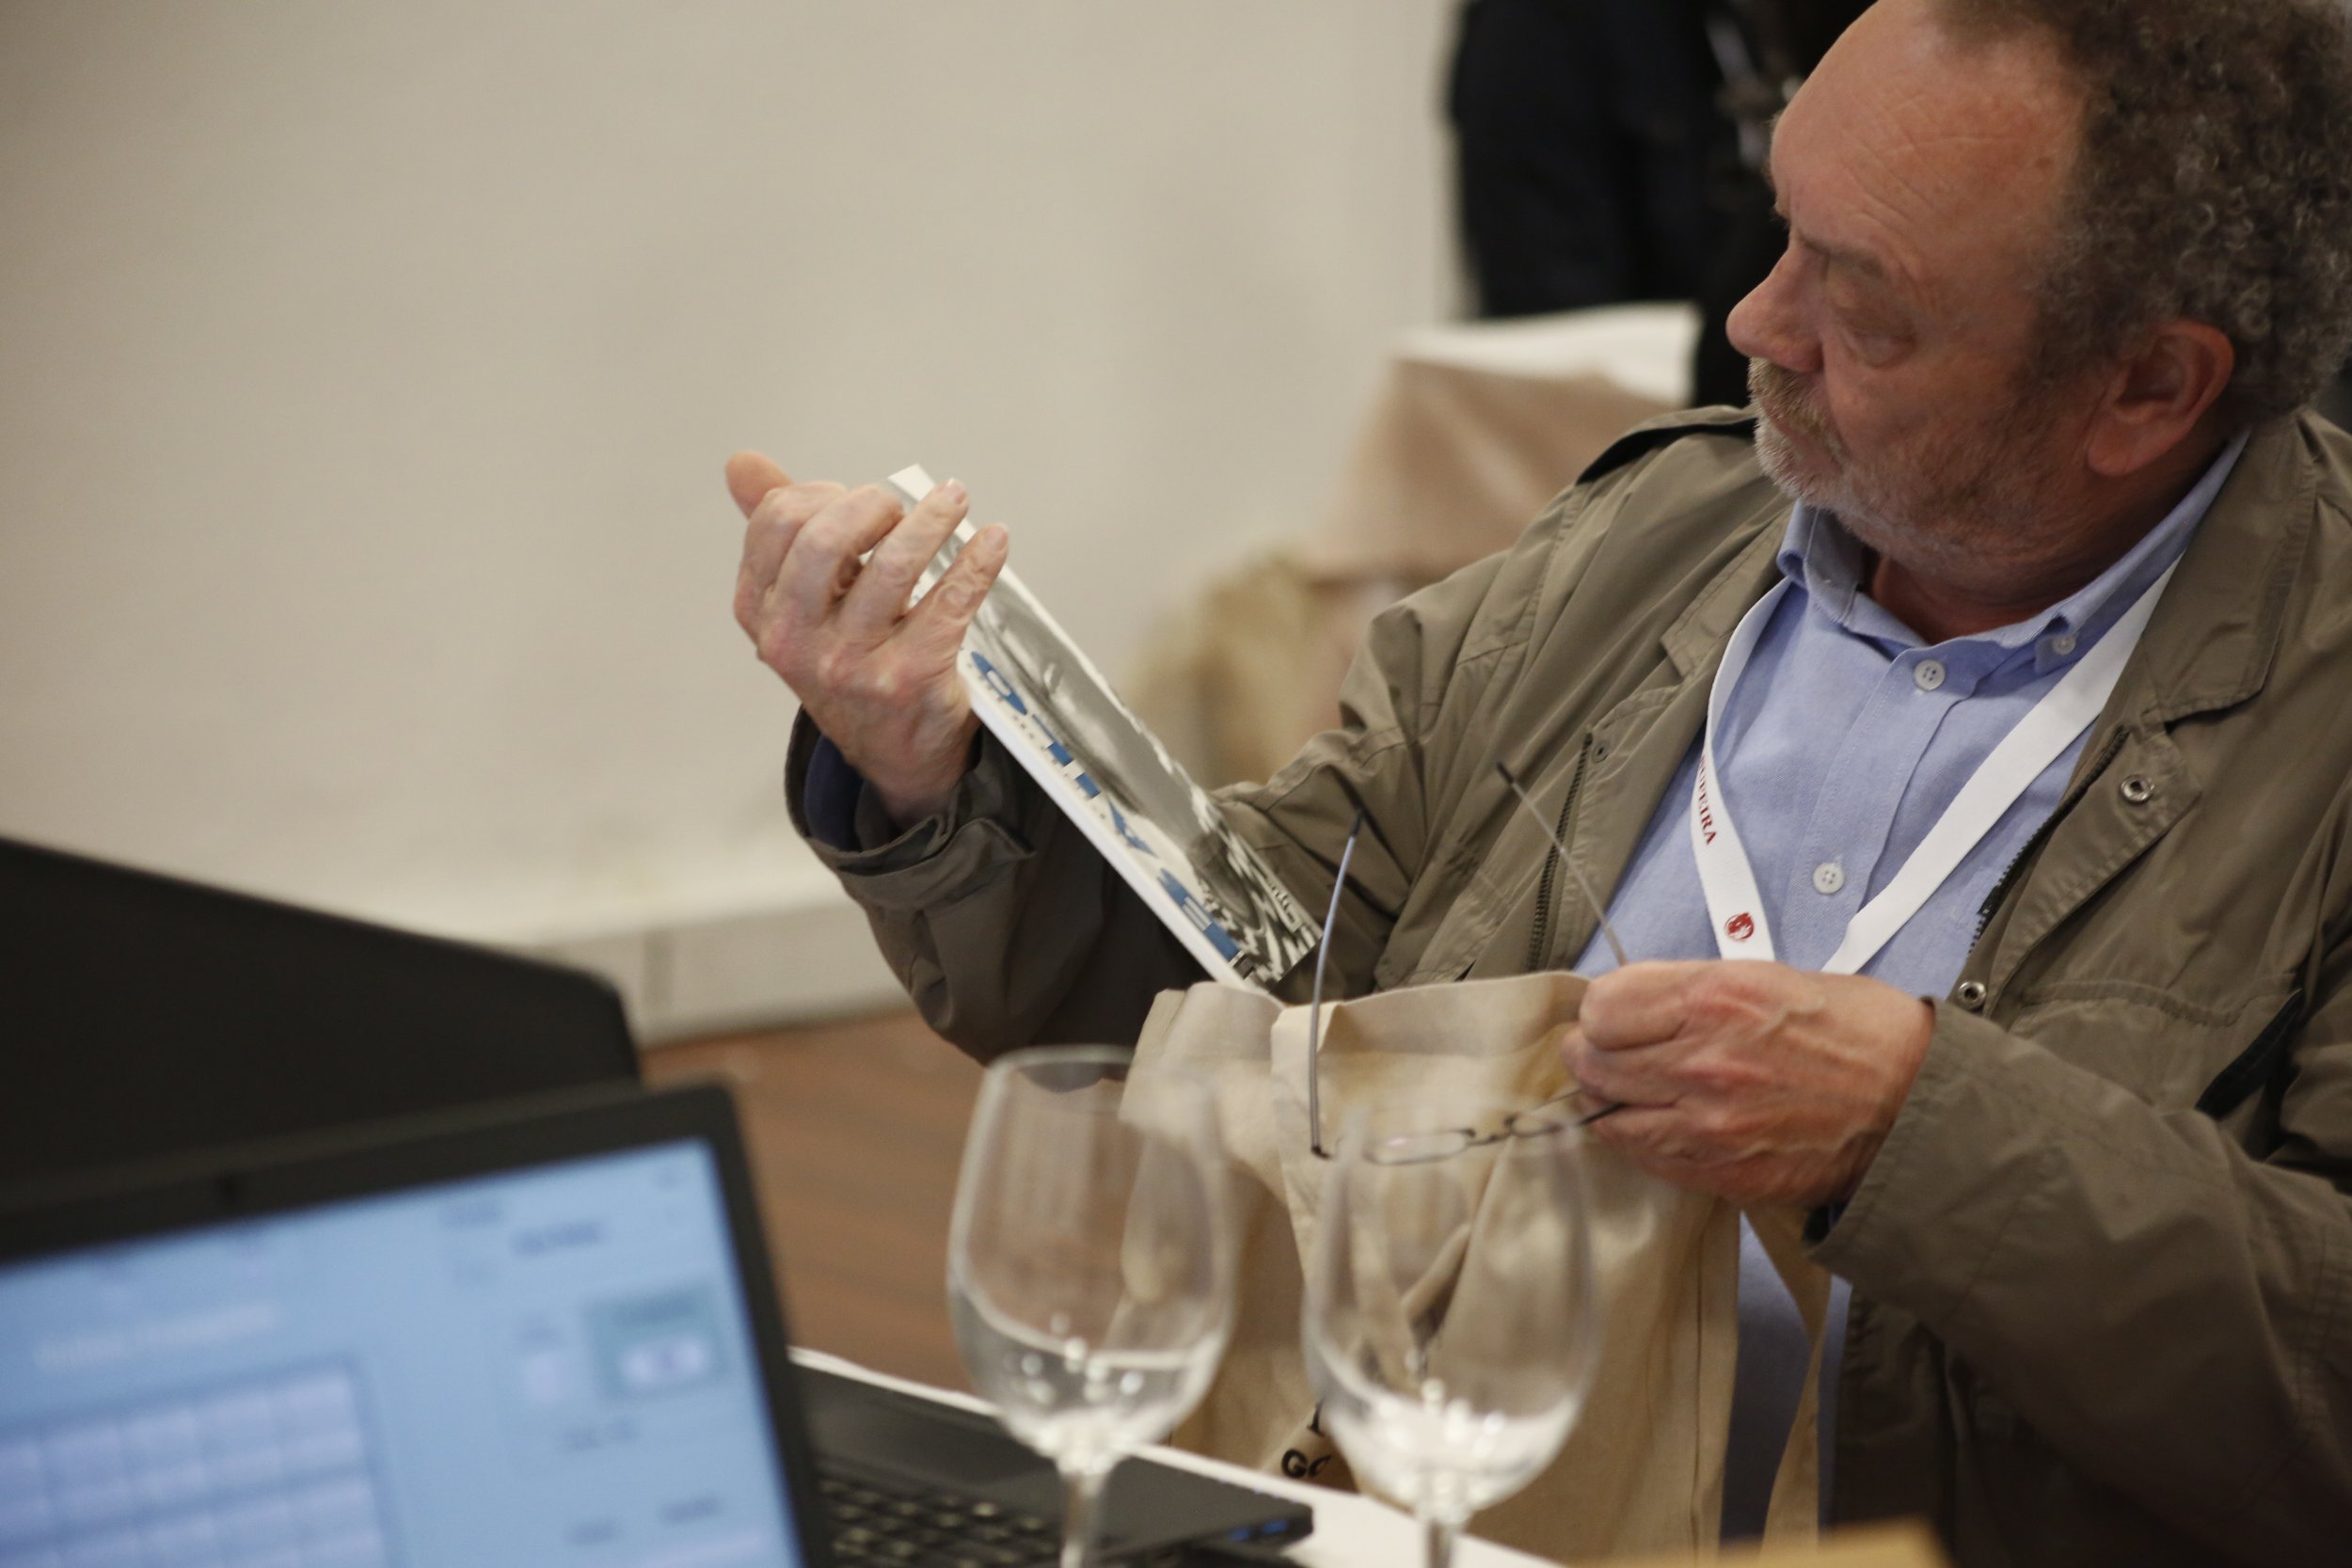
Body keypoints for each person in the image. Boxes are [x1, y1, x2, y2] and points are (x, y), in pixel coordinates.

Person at [726, 0, 2352, 1559]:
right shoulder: (1648, 543)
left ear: (2148, 387)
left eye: (1862, 300)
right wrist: (944, 784)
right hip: (1424, 1525)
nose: (1754, 321)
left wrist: (1919, 1135)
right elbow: (1260, 990)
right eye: (1781, 226)